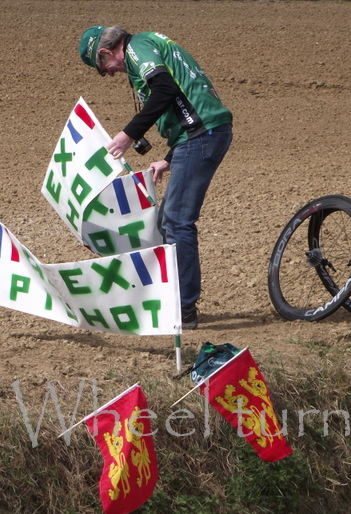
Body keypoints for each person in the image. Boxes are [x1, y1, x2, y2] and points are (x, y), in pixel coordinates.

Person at [78, 26, 233, 330]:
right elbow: (184, 97)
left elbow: (166, 90)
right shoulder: (151, 42)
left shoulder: (137, 48)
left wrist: (128, 134)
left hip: (201, 135)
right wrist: (170, 158)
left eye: (104, 69)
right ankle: (176, 299)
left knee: (176, 221)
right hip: (200, 134)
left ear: (106, 52)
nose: (110, 74)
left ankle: (183, 308)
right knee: (167, 220)